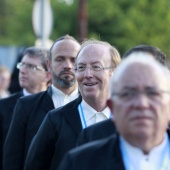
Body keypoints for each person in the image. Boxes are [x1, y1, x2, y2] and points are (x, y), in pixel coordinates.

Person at [58, 51, 170, 170]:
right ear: (112, 107)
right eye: (128, 94)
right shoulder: (80, 163)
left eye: (153, 93)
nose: (141, 104)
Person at [24, 40, 121, 170]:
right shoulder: (56, 120)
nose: (87, 74)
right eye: (81, 67)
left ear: (113, 72)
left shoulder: (127, 121)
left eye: (96, 67)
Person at [3, 35, 81, 170]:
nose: (68, 65)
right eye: (60, 59)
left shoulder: (91, 105)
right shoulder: (26, 106)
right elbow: (12, 159)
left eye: (73, 60)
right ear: (49, 65)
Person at [77, 44, 168, 146]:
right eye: (130, 93)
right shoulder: (91, 136)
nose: (141, 103)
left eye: (151, 92)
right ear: (113, 105)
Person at [0, 46, 50, 169]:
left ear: (47, 75)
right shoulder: (3, 107)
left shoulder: (57, 107)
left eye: (31, 67)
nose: (22, 70)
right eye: (22, 64)